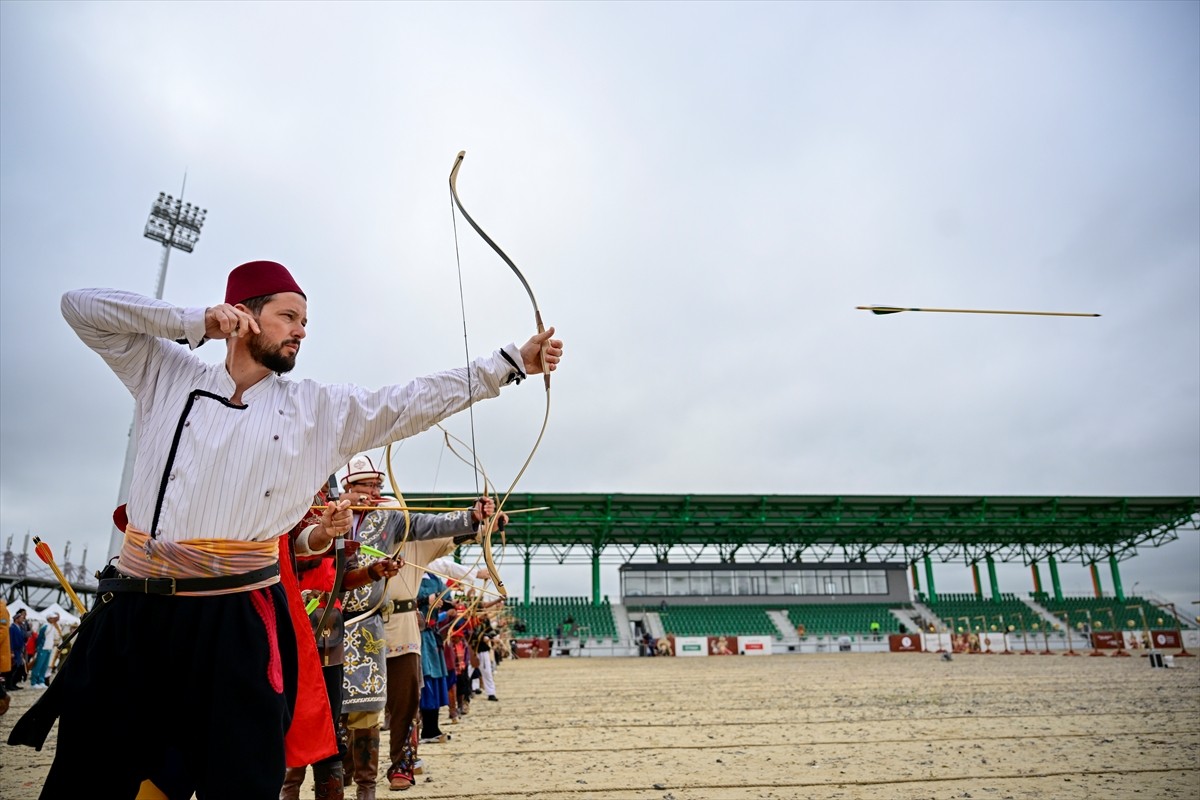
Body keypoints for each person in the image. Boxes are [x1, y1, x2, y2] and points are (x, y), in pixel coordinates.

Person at [10, 260, 562, 799]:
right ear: (242, 315)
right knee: (96, 773)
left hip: (235, 617)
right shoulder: (166, 371)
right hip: (138, 608)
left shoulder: (316, 408)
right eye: (289, 315)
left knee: (243, 779)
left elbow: (406, 401)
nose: (302, 329)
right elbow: (78, 306)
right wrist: (193, 321)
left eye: (305, 320)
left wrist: (508, 362)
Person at [335, 455, 498, 797]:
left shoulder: (398, 522)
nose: (375, 492)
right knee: (348, 703)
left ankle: (401, 767)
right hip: (352, 626)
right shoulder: (337, 520)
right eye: (366, 486)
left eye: (379, 486)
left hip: (401, 629)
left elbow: (440, 529)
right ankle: (346, 767)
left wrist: (477, 518)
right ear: (347, 489)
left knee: (404, 701)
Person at [29, 613, 61, 688]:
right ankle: (34, 682)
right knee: (38, 666)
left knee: (44, 666)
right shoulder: (45, 626)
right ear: (49, 618)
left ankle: (41, 681)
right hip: (43, 648)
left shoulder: (53, 626)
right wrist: (39, 647)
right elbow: (40, 638)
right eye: (53, 618)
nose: (54, 619)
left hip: (49, 648)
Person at [7, 609, 28, 689]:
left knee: (18, 667)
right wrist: (11, 651)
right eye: (21, 618)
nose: (23, 619)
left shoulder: (19, 627)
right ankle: (10, 684)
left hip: (19, 650)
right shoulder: (12, 628)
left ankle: (14, 683)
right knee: (13, 668)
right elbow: (11, 640)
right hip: (14, 650)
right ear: (16, 619)